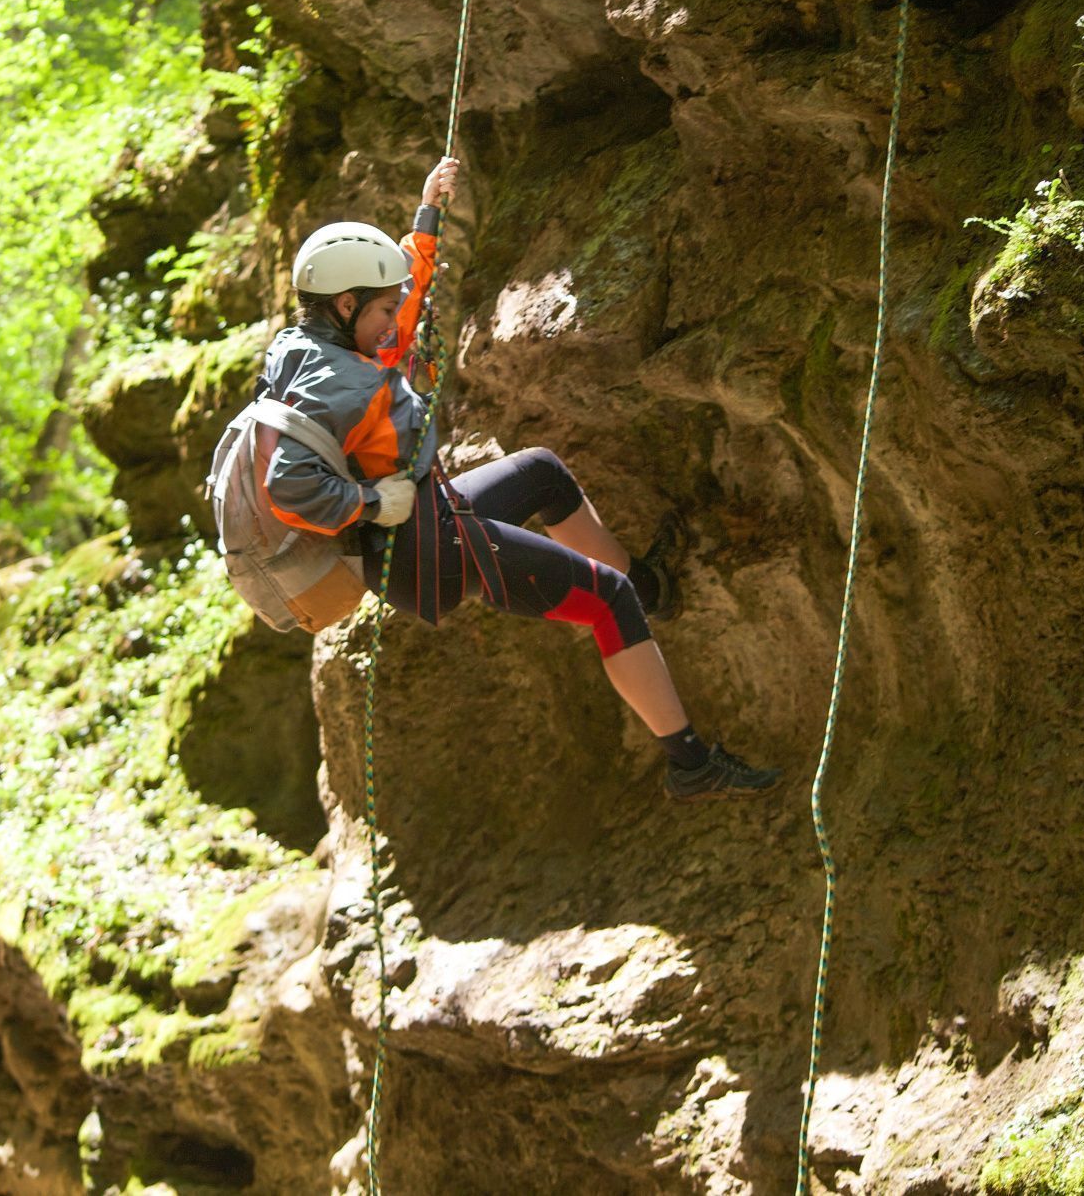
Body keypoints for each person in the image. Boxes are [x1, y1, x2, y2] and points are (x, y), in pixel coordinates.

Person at [254, 156, 779, 803]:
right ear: (344, 303)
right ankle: (690, 760)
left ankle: (651, 587)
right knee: (604, 601)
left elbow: (400, 315)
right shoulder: (337, 380)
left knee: (542, 473)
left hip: (424, 526)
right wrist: (371, 501)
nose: (395, 321)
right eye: (382, 308)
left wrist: (426, 219)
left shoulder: (310, 347)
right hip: (430, 552)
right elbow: (286, 486)